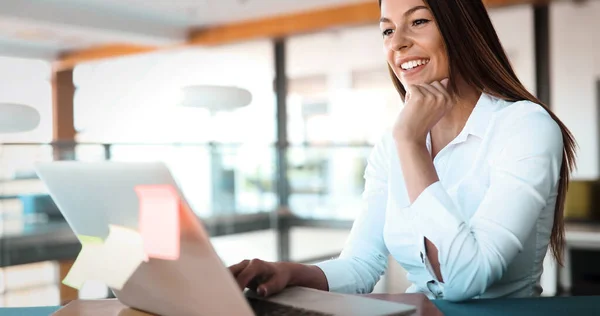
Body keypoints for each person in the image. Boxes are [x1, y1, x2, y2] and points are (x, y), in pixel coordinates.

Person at [228, 0, 577, 302]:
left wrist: (412, 146)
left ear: (463, 29)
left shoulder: (524, 126)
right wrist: (288, 273)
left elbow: (464, 280)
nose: (398, 43)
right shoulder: (393, 141)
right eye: (387, 31)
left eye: (419, 21)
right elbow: (361, 265)